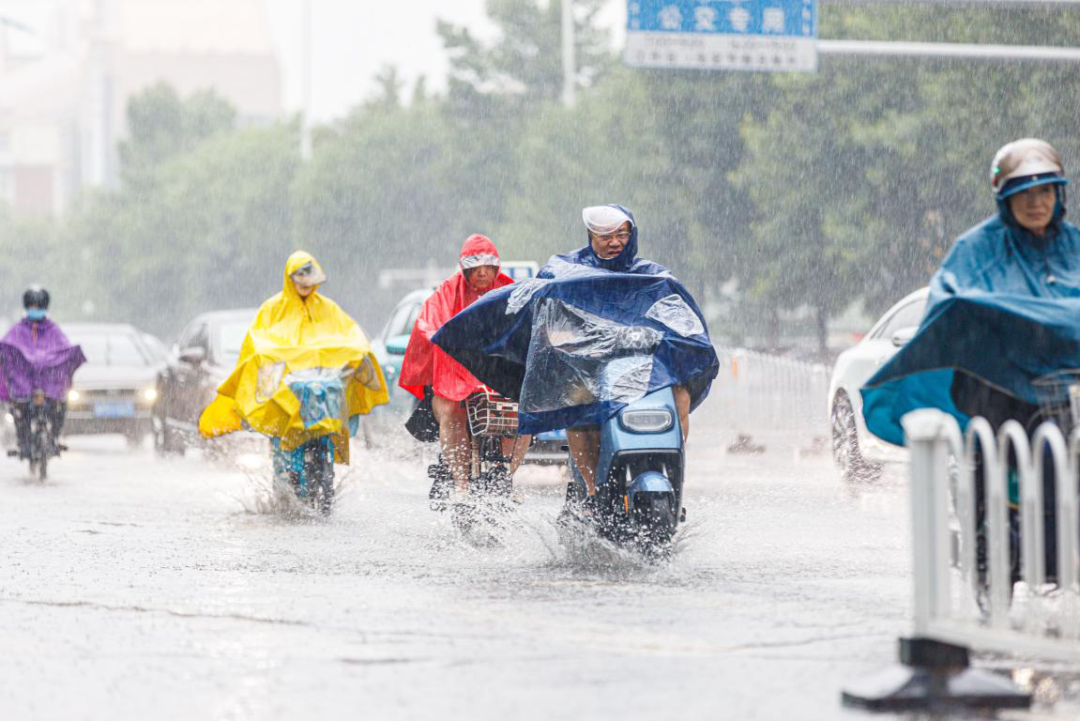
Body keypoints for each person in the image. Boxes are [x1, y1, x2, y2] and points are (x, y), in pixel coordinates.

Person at [862, 138, 1080, 583]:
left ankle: (1058, 566)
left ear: (1060, 195)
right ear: (1005, 198)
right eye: (1024, 192)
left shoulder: (1073, 246)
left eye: (1045, 191)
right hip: (995, 394)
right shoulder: (977, 248)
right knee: (995, 484)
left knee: (1061, 480)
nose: (1036, 202)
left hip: (1060, 392)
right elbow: (950, 304)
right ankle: (990, 563)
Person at [199, 251, 389, 481]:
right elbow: (258, 343)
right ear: (289, 278)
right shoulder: (272, 309)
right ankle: (284, 480)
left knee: (331, 427)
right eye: (299, 278)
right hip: (287, 391)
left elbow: (350, 335)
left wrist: (358, 352)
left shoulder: (329, 309)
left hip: (322, 389)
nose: (305, 285)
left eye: (309, 279)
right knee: (282, 443)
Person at [551, 206, 692, 509]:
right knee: (576, 401)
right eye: (606, 236)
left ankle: (675, 469)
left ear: (632, 236)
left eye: (622, 235)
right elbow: (553, 313)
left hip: (646, 366)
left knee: (680, 392)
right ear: (591, 237)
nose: (615, 242)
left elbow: (676, 315)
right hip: (592, 368)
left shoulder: (650, 276)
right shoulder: (572, 272)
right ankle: (590, 488)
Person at [399, 234, 531, 502]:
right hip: (454, 382)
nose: (482, 272)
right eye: (475, 266)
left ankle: (506, 472)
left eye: (488, 266)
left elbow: (531, 325)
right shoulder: (445, 294)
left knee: (526, 414)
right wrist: (441, 336)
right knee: (451, 410)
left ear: (497, 266)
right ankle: (461, 483)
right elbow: (428, 321)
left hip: (499, 382)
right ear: (464, 267)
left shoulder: (513, 292)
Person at [0, 286, 86, 459]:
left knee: (60, 407)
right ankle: (23, 442)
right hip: (24, 386)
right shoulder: (18, 330)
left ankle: (54, 437)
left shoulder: (53, 330)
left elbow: (63, 349)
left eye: (38, 306)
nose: (35, 310)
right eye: (32, 306)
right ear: (26, 307)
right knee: (20, 411)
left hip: (48, 385)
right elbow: (7, 348)